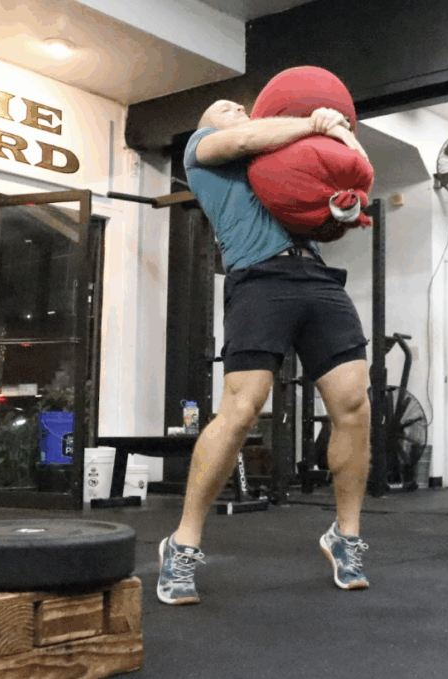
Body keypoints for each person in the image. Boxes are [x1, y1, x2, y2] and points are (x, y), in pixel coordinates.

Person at [157, 100, 373, 604]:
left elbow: (356, 178)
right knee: (241, 408)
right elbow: (239, 139)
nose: (239, 108)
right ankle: (182, 543)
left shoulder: (281, 157)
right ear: (204, 122)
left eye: (243, 105)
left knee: (354, 404)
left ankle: (346, 536)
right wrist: (312, 123)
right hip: (259, 279)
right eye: (225, 106)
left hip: (317, 276)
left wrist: (339, 137)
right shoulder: (202, 148)